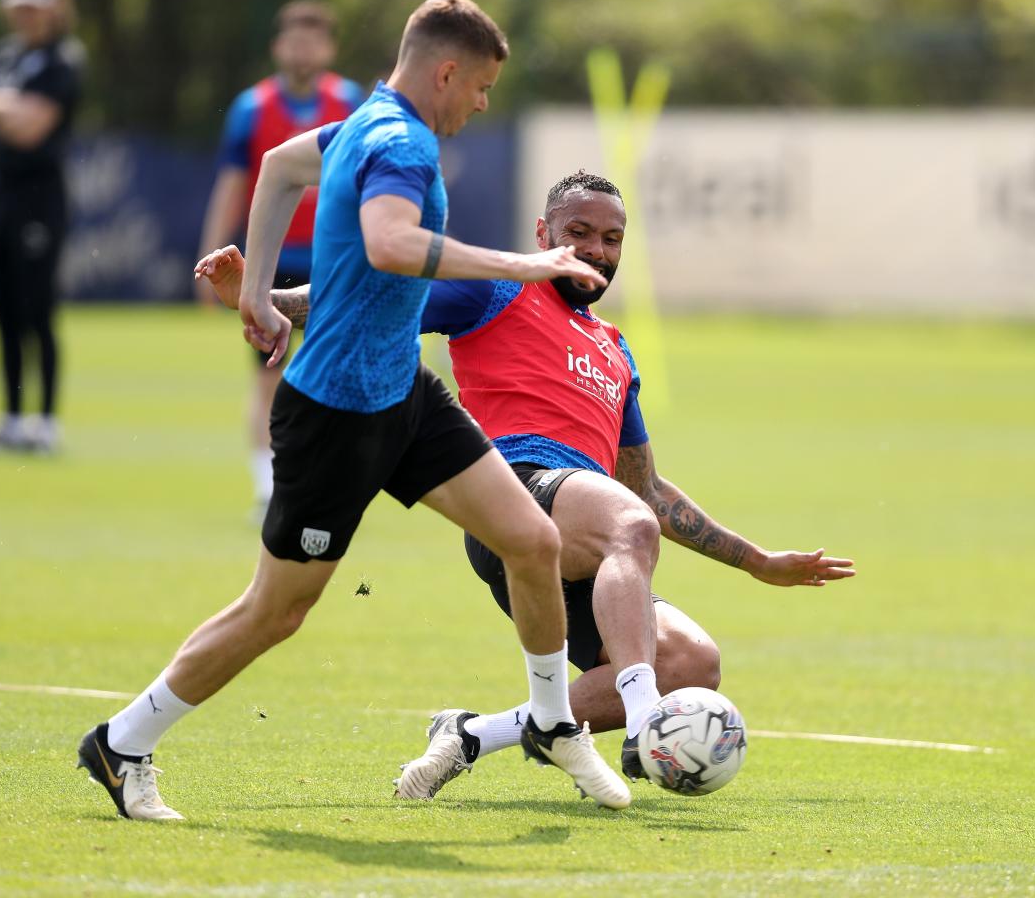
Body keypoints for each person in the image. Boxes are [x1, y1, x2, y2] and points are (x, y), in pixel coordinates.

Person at [77, 0, 630, 822]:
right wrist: (525, 263)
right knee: (277, 611)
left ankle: (552, 722)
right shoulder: (402, 142)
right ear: (446, 71)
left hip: (401, 392)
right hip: (335, 412)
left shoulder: (366, 120)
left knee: (532, 539)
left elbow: (278, 170)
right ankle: (120, 743)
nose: (481, 105)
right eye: (479, 88)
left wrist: (257, 296)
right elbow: (390, 244)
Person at [196, 170, 855, 798]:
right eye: (580, 232)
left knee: (694, 663)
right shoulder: (499, 289)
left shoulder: (616, 351)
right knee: (629, 530)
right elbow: (379, 302)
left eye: (612, 237)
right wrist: (262, 300)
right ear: (544, 234)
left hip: (584, 538)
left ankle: (474, 735)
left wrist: (757, 562)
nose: (596, 249)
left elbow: (648, 489)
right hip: (513, 494)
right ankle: (648, 714)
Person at [196, 0, 365, 518]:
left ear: (329, 48)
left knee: (337, 372)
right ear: (277, 47)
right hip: (272, 262)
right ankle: (268, 489)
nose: (303, 49)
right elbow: (231, 183)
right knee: (269, 374)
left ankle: (324, 480)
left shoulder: (350, 101)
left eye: (313, 40)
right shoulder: (252, 107)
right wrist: (211, 245)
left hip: (334, 262)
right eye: (294, 39)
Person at [0, 0, 83, 452]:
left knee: (36, 306)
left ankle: (44, 420)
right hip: (2, 195)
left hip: (41, 199)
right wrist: (9, 107)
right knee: (1, 305)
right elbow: (10, 115)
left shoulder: (62, 61)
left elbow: (32, 128)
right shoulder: (4, 56)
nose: (25, 16)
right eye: (18, 6)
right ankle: (10, 415)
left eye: (34, 6)